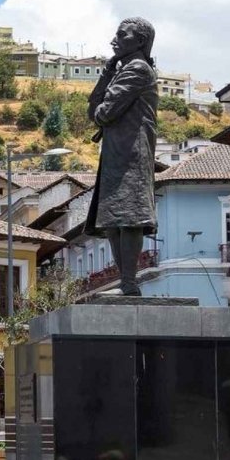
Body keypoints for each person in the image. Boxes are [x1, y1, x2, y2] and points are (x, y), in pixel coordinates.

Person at [84, 17, 160, 296]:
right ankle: (127, 281)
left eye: (121, 35)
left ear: (139, 41)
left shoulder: (137, 70)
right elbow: (94, 110)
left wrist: (105, 90)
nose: (113, 40)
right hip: (119, 153)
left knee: (129, 218)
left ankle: (129, 282)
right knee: (116, 219)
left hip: (132, 153)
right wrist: (105, 74)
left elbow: (103, 113)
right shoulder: (124, 70)